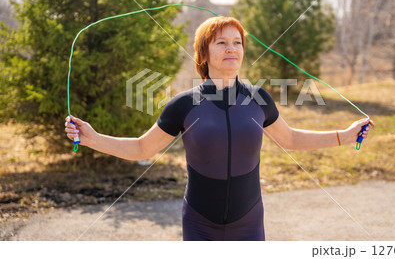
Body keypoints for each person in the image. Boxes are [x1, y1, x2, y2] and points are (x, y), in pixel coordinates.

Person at [64, 16, 374, 241]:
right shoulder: (184, 105)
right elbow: (143, 148)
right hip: (200, 224)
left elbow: (290, 138)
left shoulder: (259, 98)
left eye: (237, 43)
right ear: (203, 54)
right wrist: (92, 138)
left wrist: (344, 136)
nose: (231, 48)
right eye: (221, 42)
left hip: (249, 222)